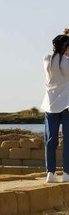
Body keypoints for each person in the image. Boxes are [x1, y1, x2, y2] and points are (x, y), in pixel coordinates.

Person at [42, 34, 69, 183]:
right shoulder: (67, 62)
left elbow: (56, 57)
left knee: (51, 140)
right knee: (68, 140)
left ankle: (50, 173)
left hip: (50, 105)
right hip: (67, 105)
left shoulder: (47, 59)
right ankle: (67, 173)